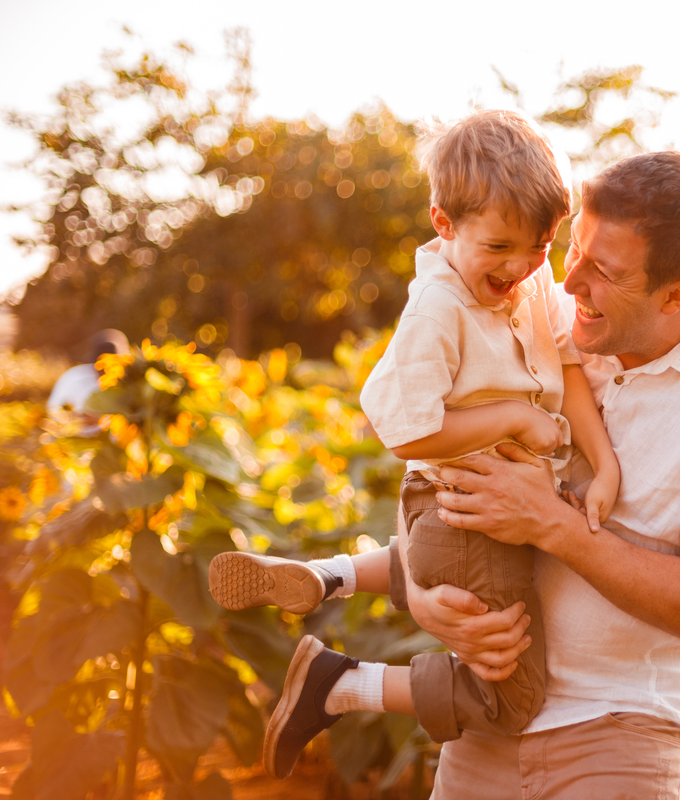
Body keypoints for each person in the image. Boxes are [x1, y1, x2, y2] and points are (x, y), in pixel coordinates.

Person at [387, 151, 680, 797]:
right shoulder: (539, 309)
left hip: (622, 728)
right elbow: (432, 454)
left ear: (677, 296)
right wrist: (425, 603)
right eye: (574, 249)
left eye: (603, 272)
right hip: (488, 708)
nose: (566, 283)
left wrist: (555, 526)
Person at [207, 109, 621, 779]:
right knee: (513, 695)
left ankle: (329, 576)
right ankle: (340, 684)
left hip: (470, 513)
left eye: (540, 247)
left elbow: (568, 366)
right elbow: (410, 433)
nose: (520, 266)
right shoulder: (439, 309)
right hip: (464, 510)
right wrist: (515, 417)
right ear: (444, 224)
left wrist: (602, 468)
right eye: (499, 248)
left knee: (441, 553)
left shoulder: (529, 279)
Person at [47, 329, 129, 435]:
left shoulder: (128, 383)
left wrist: (103, 420)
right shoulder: (75, 378)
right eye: (102, 366)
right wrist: (75, 418)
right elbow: (53, 411)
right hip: (76, 441)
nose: (105, 372)